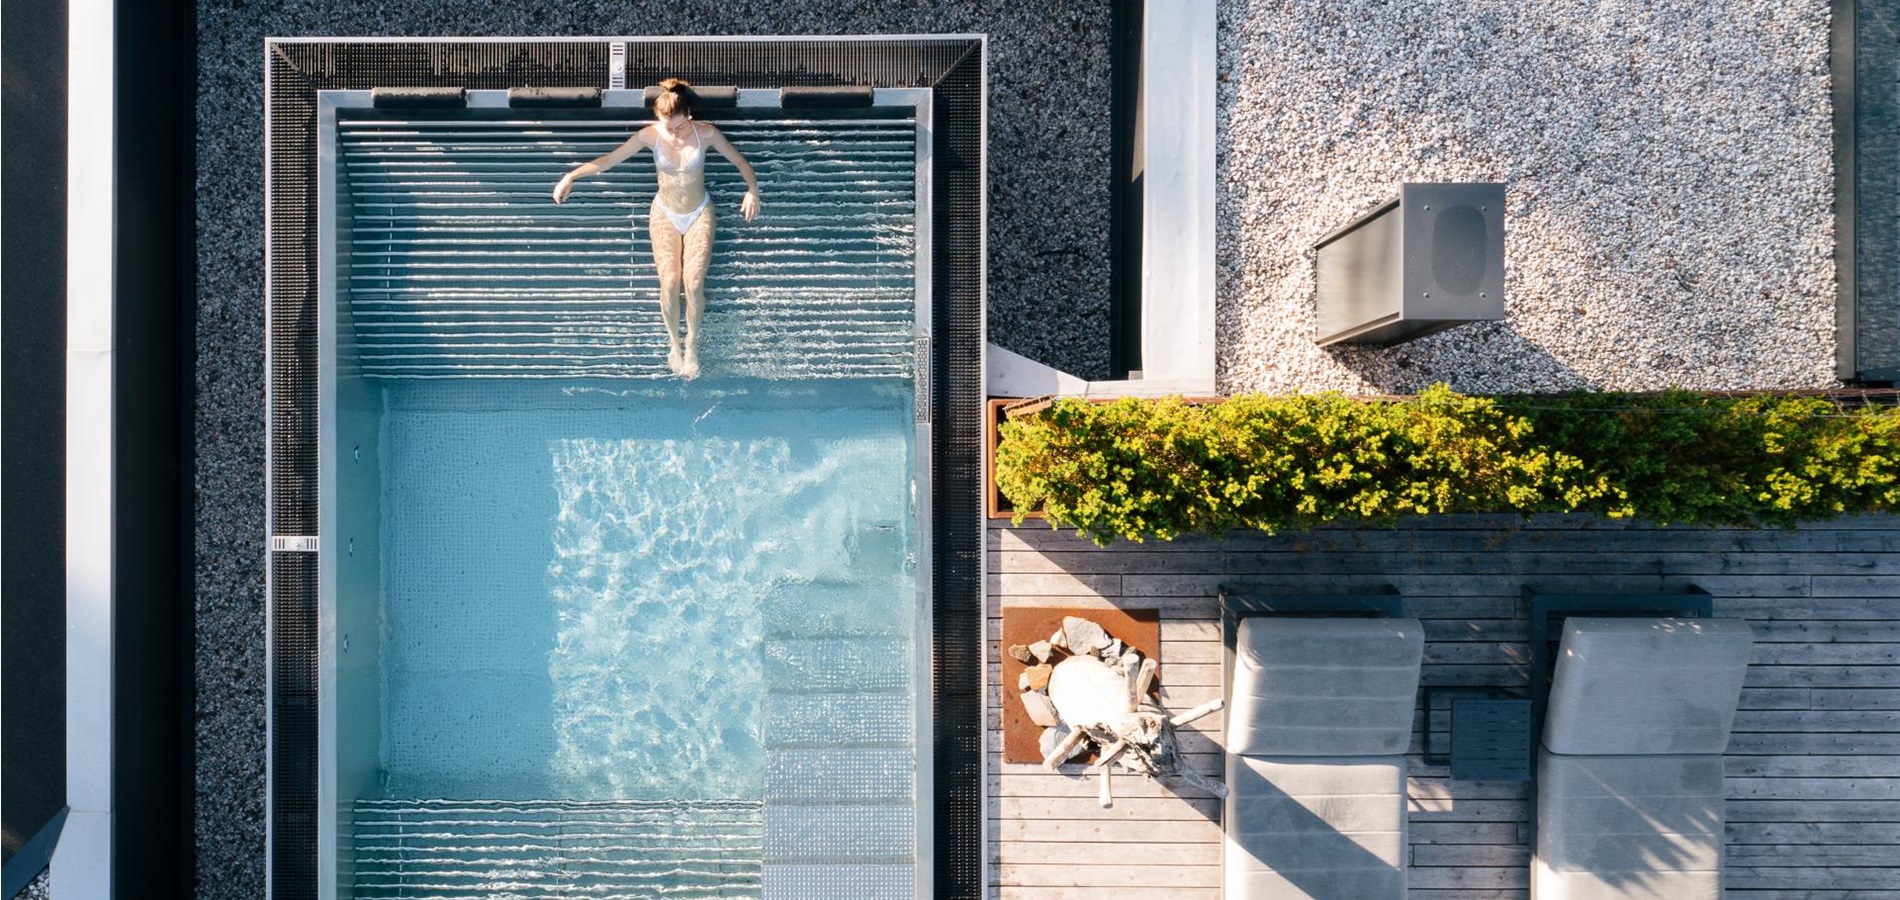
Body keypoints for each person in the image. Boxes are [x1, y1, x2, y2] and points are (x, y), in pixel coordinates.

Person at [552, 78, 760, 379]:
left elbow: (742, 163)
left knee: (693, 284)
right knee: (670, 282)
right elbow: (609, 161)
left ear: (688, 114)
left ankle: (691, 346)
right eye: (667, 126)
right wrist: (571, 176)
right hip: (664, 212)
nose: (673, 133)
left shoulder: (707, 134)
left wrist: (751, 189)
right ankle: (673, 344)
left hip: (698, 212)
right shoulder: (651, 136)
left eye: (678, 126)